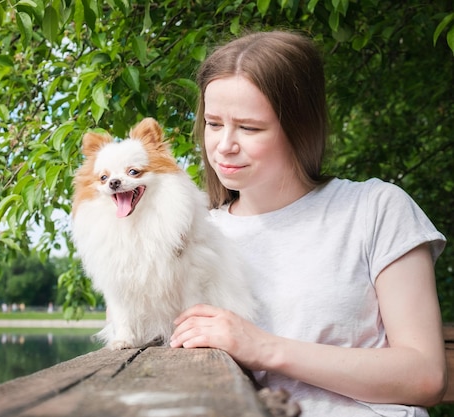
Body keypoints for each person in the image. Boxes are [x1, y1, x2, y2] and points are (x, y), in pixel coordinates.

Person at [168, 30, 448, 416]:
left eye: (249, 127)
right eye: (214, 124)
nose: (224, 144)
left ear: (299, 127)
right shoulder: (199, 238)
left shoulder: (374, 208)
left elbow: (426, 376)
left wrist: (264, 347)